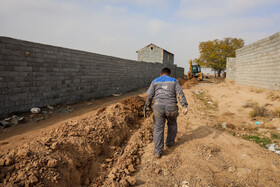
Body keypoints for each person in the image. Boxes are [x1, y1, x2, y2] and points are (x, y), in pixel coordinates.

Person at [145, 67, 188, 158]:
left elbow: (149, 95)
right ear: (169, 74)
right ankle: (169, 143)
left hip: (158, 107)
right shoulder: (174, 81)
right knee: (172, 124)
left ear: (161, 74)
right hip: (171, 107)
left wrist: (148, 105)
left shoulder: (155, 81)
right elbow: (180, 94)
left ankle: (158, 151)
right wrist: (184, 106)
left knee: (158, 128)